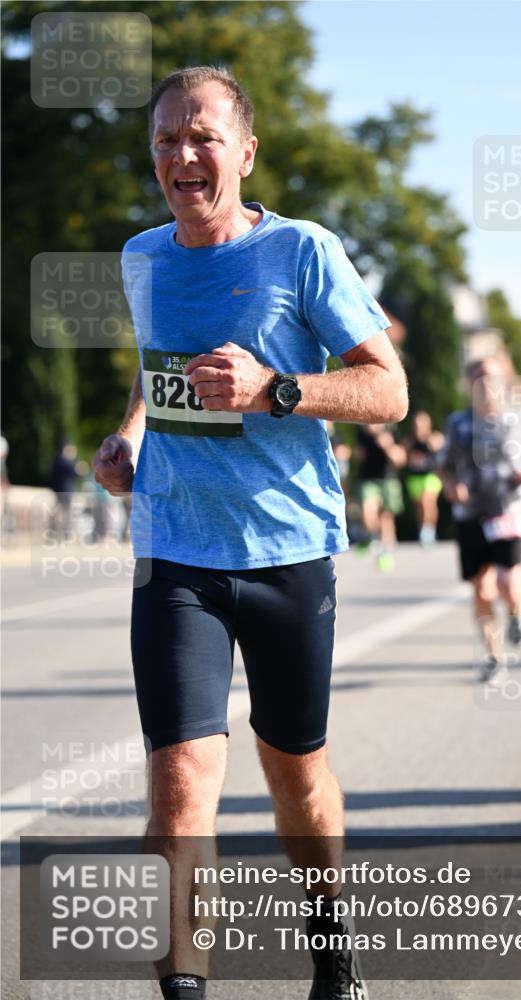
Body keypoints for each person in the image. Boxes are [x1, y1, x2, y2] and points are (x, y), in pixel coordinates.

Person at [93, 66, 408, 1000]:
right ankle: (185, 989)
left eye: (202, 138)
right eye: (165, 141)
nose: (183, 156)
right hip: (176, 556)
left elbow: (388, 391)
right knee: (181, 782)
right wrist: (127, 440)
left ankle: (333, 952)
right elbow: (159, 378)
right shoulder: (142, 256)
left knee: (294, 776)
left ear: (244, 150)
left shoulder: (303, 251)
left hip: (288, 555)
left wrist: (278, 389)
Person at [439, 354, 521, 684]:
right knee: (482, 589)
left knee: (508, 580)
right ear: (469, 384)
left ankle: (518, 613)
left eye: (492, 377)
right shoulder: (458, 423)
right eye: (479, 377)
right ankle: (495, 657)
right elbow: (443, 465)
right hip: (470, 514)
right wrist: (452, 485)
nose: (486, 384)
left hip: (509, 508)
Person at [355, 423, 406, 571]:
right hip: (368, 479)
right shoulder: (362, 430)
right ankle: (371, 537)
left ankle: (385, 553)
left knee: (386, 519)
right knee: (367, 514)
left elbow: (400, 459)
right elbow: (359, 455)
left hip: (388, 479)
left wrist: (387, 445)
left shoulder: (392, 429)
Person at [403, 410, 445, 546]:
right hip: (415, 478)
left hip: (431, 477)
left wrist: (428, 440)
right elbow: (403, 457)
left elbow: (440, 446)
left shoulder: (434, 437)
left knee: (428, 502)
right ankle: (423, 528)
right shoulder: (409, 441)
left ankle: (429, 530)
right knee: (420, 506)